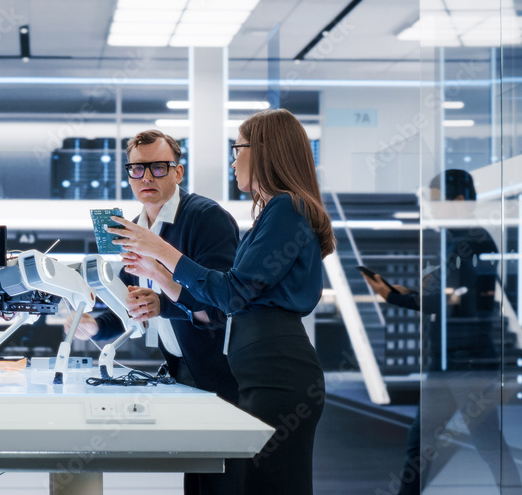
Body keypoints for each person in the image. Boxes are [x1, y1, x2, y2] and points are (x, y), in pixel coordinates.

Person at [109, 109, 333, 495]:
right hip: (263, 371)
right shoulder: (275, 211)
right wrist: (160, 271)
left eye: (238, 148)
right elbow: (224, 296)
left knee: (269, 485)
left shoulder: (286, 208)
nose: (233, 159)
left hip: (277, 371)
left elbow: (232, 293)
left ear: (264, 151)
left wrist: (163, 251)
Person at [67, 129, 242, 494]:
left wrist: (162, 303)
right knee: (195, 479)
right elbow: (130, 308)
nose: (146, 177)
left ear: (178, 173)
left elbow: (219, 308)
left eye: (159, 168)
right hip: (182, 371)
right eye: (137, 169)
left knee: (223, 480)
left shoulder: (207, 219)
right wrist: (92, 328)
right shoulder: (135, 228)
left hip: (222, 372)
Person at [361, 169, 519, 494]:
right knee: (421, 443)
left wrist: (392, 296)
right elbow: (445, 294)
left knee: (486, 445)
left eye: (436, 202)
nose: (430, 209)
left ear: (459, 201)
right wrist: (412, 292)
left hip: (466, 362)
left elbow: (446, 300)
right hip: (446, 361)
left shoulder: (472, 241)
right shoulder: (456, 240)